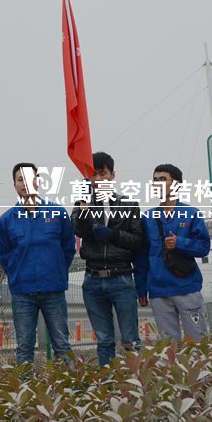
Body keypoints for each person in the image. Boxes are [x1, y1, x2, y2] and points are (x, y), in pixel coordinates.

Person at [0, 163, 76, 365]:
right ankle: (26, 384)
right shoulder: (6, 220)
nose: (25, 184)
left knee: (62, 344)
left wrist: (56, 270)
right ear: (14, 185)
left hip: (53, 289)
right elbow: (4, 254)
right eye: (20, 180)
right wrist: (17, 273)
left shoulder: (57, 213)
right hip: (22, 292)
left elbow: (68, 248)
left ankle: (68, 381)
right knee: (24, 346)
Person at [71, 151, 146, 366]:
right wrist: (84, 204)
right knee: (104, 340)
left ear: (112, 175)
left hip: (121, 277)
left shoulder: (129, 205)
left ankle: (137, 379)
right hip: (93, 279)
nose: (98, 179)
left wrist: (113, 235)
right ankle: (108, 380)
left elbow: (137, 240)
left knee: (130, 340)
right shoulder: (83, 204)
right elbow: (78, 230)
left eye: (103, 173)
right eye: (93, 174)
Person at [135, 164, 210, 341]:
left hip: (187, 287)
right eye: (155, 180)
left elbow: (203, 247)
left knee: (198, 341)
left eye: (163, 179)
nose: (157, 184)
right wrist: (141, 289)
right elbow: (141, 257)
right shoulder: (147, 218)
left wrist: (180, 243)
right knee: (169, 345)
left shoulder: (191, 213)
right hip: (158, 291)